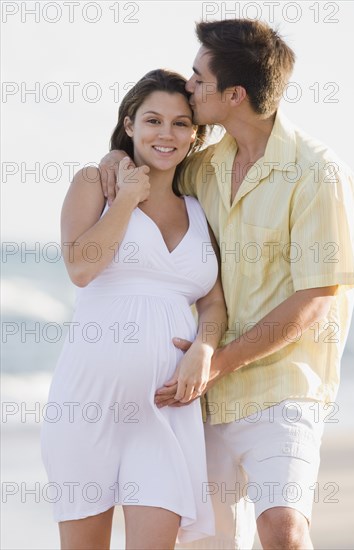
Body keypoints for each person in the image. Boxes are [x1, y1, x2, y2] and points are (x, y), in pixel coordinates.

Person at [99, 19, 354, 550]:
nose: (189, 87)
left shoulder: (317, 172)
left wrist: (217, 360)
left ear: (235, 94)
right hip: (204, 399)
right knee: (210, 542)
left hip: (282, 388)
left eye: (198, 79)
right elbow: (152, 167)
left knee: (283, 529)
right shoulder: (204, 167)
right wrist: (115, 156)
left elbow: (316, 297)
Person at [41, 68, 228, 550]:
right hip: (88, 405)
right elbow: (81, 268)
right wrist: (127, 199)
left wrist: (204, 351)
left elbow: (213, 302)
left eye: (180, 123)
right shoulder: (95, 183)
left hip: (165, 412)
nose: (166, 134)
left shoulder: (199, 206)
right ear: (129, 125)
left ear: (195, 134)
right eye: (152, 120)